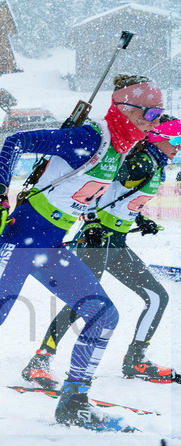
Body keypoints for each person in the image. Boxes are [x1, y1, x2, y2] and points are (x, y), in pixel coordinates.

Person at [0, 75, 164, 431]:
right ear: (126, 109)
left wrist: (98, 220)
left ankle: (74, 402)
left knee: (103, 315)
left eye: (160, 113)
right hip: (22, 239)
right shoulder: (90, 138)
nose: (155, 121)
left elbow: (82, 194)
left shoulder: (120, 151)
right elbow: (15, 142)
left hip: (51, 247)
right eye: (150, 112)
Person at [21, 115, 181, 387]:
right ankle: (40, 359)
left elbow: (123, 198)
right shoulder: (140, 163)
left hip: (115, 244)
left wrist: (140, 219)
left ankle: (136, 360)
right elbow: (101, 186)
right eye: (175, 140)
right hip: (97, 241)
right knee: (82, 303)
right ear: (158, 138)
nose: (178, 147)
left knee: (157, 296)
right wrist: (92, 218)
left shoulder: (155, 165)